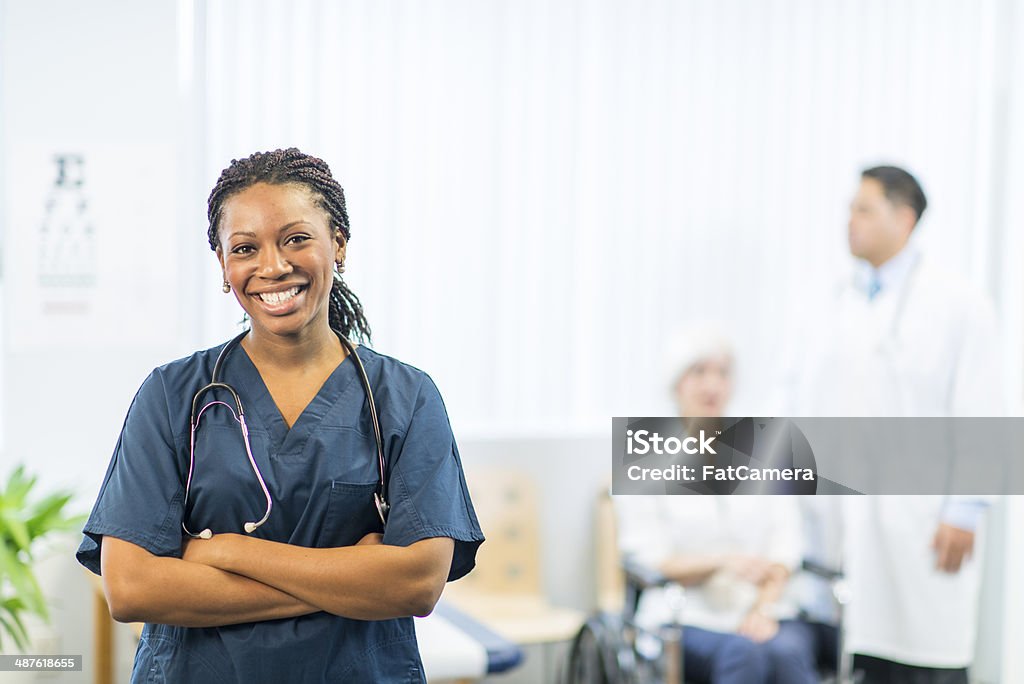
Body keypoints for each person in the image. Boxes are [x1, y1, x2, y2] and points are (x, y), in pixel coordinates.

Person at [75, 148, 485, 683]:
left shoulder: (406, 397)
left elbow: (416, 584)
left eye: (296, 238)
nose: (272, 266)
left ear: (338, 244)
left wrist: (225, 550)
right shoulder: (171, 395)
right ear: (223, 265)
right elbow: (132, 589)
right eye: (245, 247)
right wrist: (351, 580)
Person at [786, 165, 1002, 683]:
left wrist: (965, 510)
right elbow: (795, 394)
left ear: (904, 219)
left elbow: (984, 409)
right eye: (849, 208)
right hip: (846, 521)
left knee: (926, 655)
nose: (849, 220)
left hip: (925, 523)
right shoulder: (833, 302)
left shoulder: (958, 304)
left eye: (864, 208)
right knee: (861, 655)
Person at [615, 329, 819, 684]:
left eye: (722, 373)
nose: (712, 385)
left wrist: (763, 607)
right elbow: (652, 558)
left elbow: (786, 544)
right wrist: (723, 562)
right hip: (685, 616)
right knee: (743, 652)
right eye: (699, 372)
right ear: (676, 383)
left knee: (787, 651)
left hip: (765, 609)